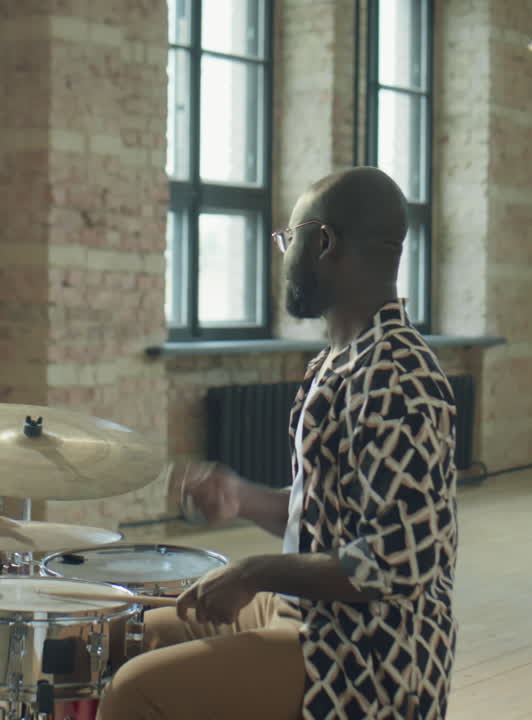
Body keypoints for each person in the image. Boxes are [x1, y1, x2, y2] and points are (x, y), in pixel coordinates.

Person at [99, 167, 459, 720]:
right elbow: (327, 519)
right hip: (312, 613)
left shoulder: (399, 377)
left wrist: (252, 572)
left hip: (366, 656)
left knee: (135, 690)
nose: (284, 254)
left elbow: (394, 563)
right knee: (137, 636)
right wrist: (242, 498)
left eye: (288, 239)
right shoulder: (341, 360)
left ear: (323, 242)